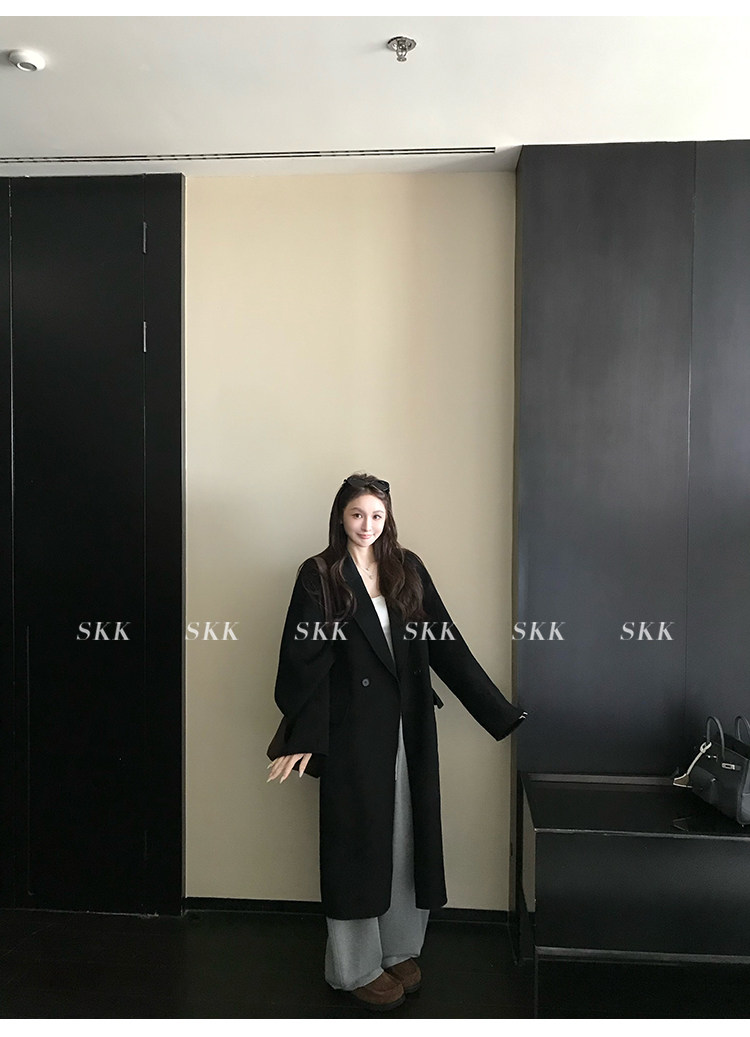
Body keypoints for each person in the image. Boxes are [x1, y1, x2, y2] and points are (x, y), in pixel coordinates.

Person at [267, 473, 527, 1011]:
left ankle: (398, 948)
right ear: (341, 516)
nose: (367, 525)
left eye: (377, 516)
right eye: (357, 514)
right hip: (351, 730)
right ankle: (353, 967)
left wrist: (497, 712)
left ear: (388, 519)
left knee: (408, 834)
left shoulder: (407, 568)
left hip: (409, 724)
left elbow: (445, 642)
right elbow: (303, 659)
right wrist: (304, 733)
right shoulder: (319, 574)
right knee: (356, 843)